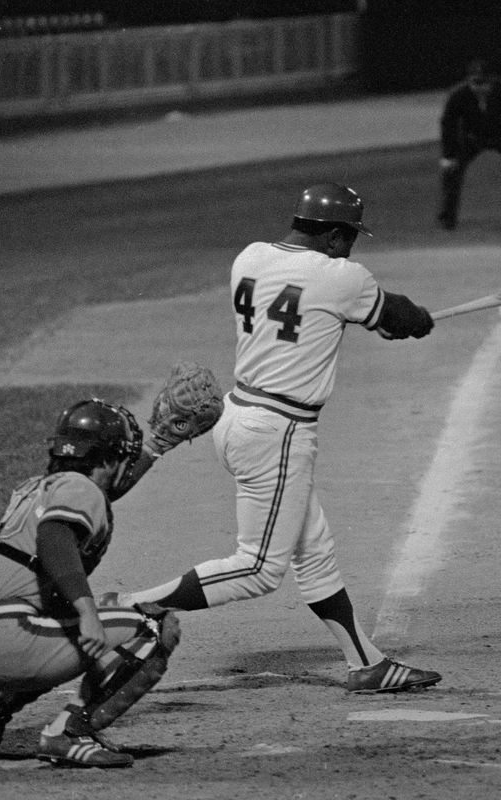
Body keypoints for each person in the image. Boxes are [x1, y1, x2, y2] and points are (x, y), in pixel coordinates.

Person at [117, 182, 442, 694]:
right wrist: (415, 321)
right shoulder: (341, 276)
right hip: (278, 433)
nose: (352, 247)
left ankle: (366, 662)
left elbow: (317, 315)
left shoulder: (249, 257)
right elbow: (396, 315)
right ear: (333, 237)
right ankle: (130, 606)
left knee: (313, 551)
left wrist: (379, 320)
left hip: (236, 415)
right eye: (350, 237)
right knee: (260, 568)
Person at [0, 398, 181, 768]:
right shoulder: (81, 489)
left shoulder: (42, 487)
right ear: (108, 458)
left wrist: (155, 448)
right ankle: (69, 732)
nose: (128, 465)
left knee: (71, 611)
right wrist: (87, 613)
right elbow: (54, 538)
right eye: (126, 457)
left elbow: (94, 500)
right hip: (3, 641)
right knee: (153, 626)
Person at [438, 58, 501, 230]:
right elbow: (448, 125)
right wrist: (448, 156)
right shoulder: (458, 95)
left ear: (492, 81)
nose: (481, 88)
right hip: (472, 137)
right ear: (469, 81)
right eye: (476, 83)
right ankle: (447, 220)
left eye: (484, 83)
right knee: (451, 170)